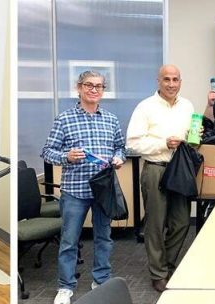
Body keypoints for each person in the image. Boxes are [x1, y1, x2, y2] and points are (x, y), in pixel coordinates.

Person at [42, 71, 125, 304]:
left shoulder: (111, 119)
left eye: (99, 86)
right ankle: (65, 286)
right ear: (79, 88)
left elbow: (120, 147)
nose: (94, 90)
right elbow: (47, 152)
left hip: (103, 190)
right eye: (89, 85)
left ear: (103, 90)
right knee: (69, 240)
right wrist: (67, 156)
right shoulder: (64, 118)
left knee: (104, 238)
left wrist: (119, 158)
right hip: (75, 191)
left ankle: (100, 280)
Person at [126, 65, 195, 292]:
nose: (171, 84)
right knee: (155, 225)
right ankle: (158, 273)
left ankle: (168, 264)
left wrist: (193, 139)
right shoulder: (145, 107)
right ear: (158, 81)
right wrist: (163, 143)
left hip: (180, 169)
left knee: (182, 222)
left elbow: (192, 137)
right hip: (155, 168)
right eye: (167, 79)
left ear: (180, 82)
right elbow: (132, 143)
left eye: (175, 79)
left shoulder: (187, 106)